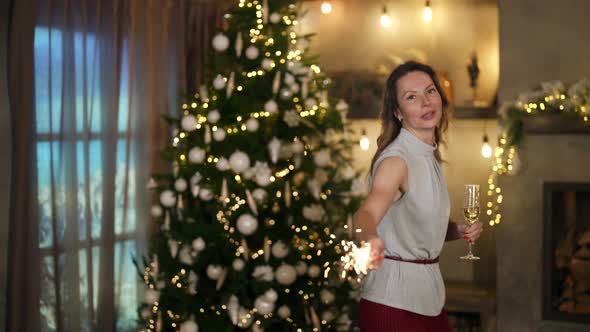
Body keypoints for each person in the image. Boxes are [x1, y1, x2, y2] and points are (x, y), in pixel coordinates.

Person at [353, 61, 483, 331]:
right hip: (391, 306)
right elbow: (364, 215)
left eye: (430, 91)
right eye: (412, 97)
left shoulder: (427, 155)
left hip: (430, 301)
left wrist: (457, 229)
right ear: (398, 113)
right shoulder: (396, 161)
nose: (425, 102)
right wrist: (369, 240)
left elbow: (415, 227)